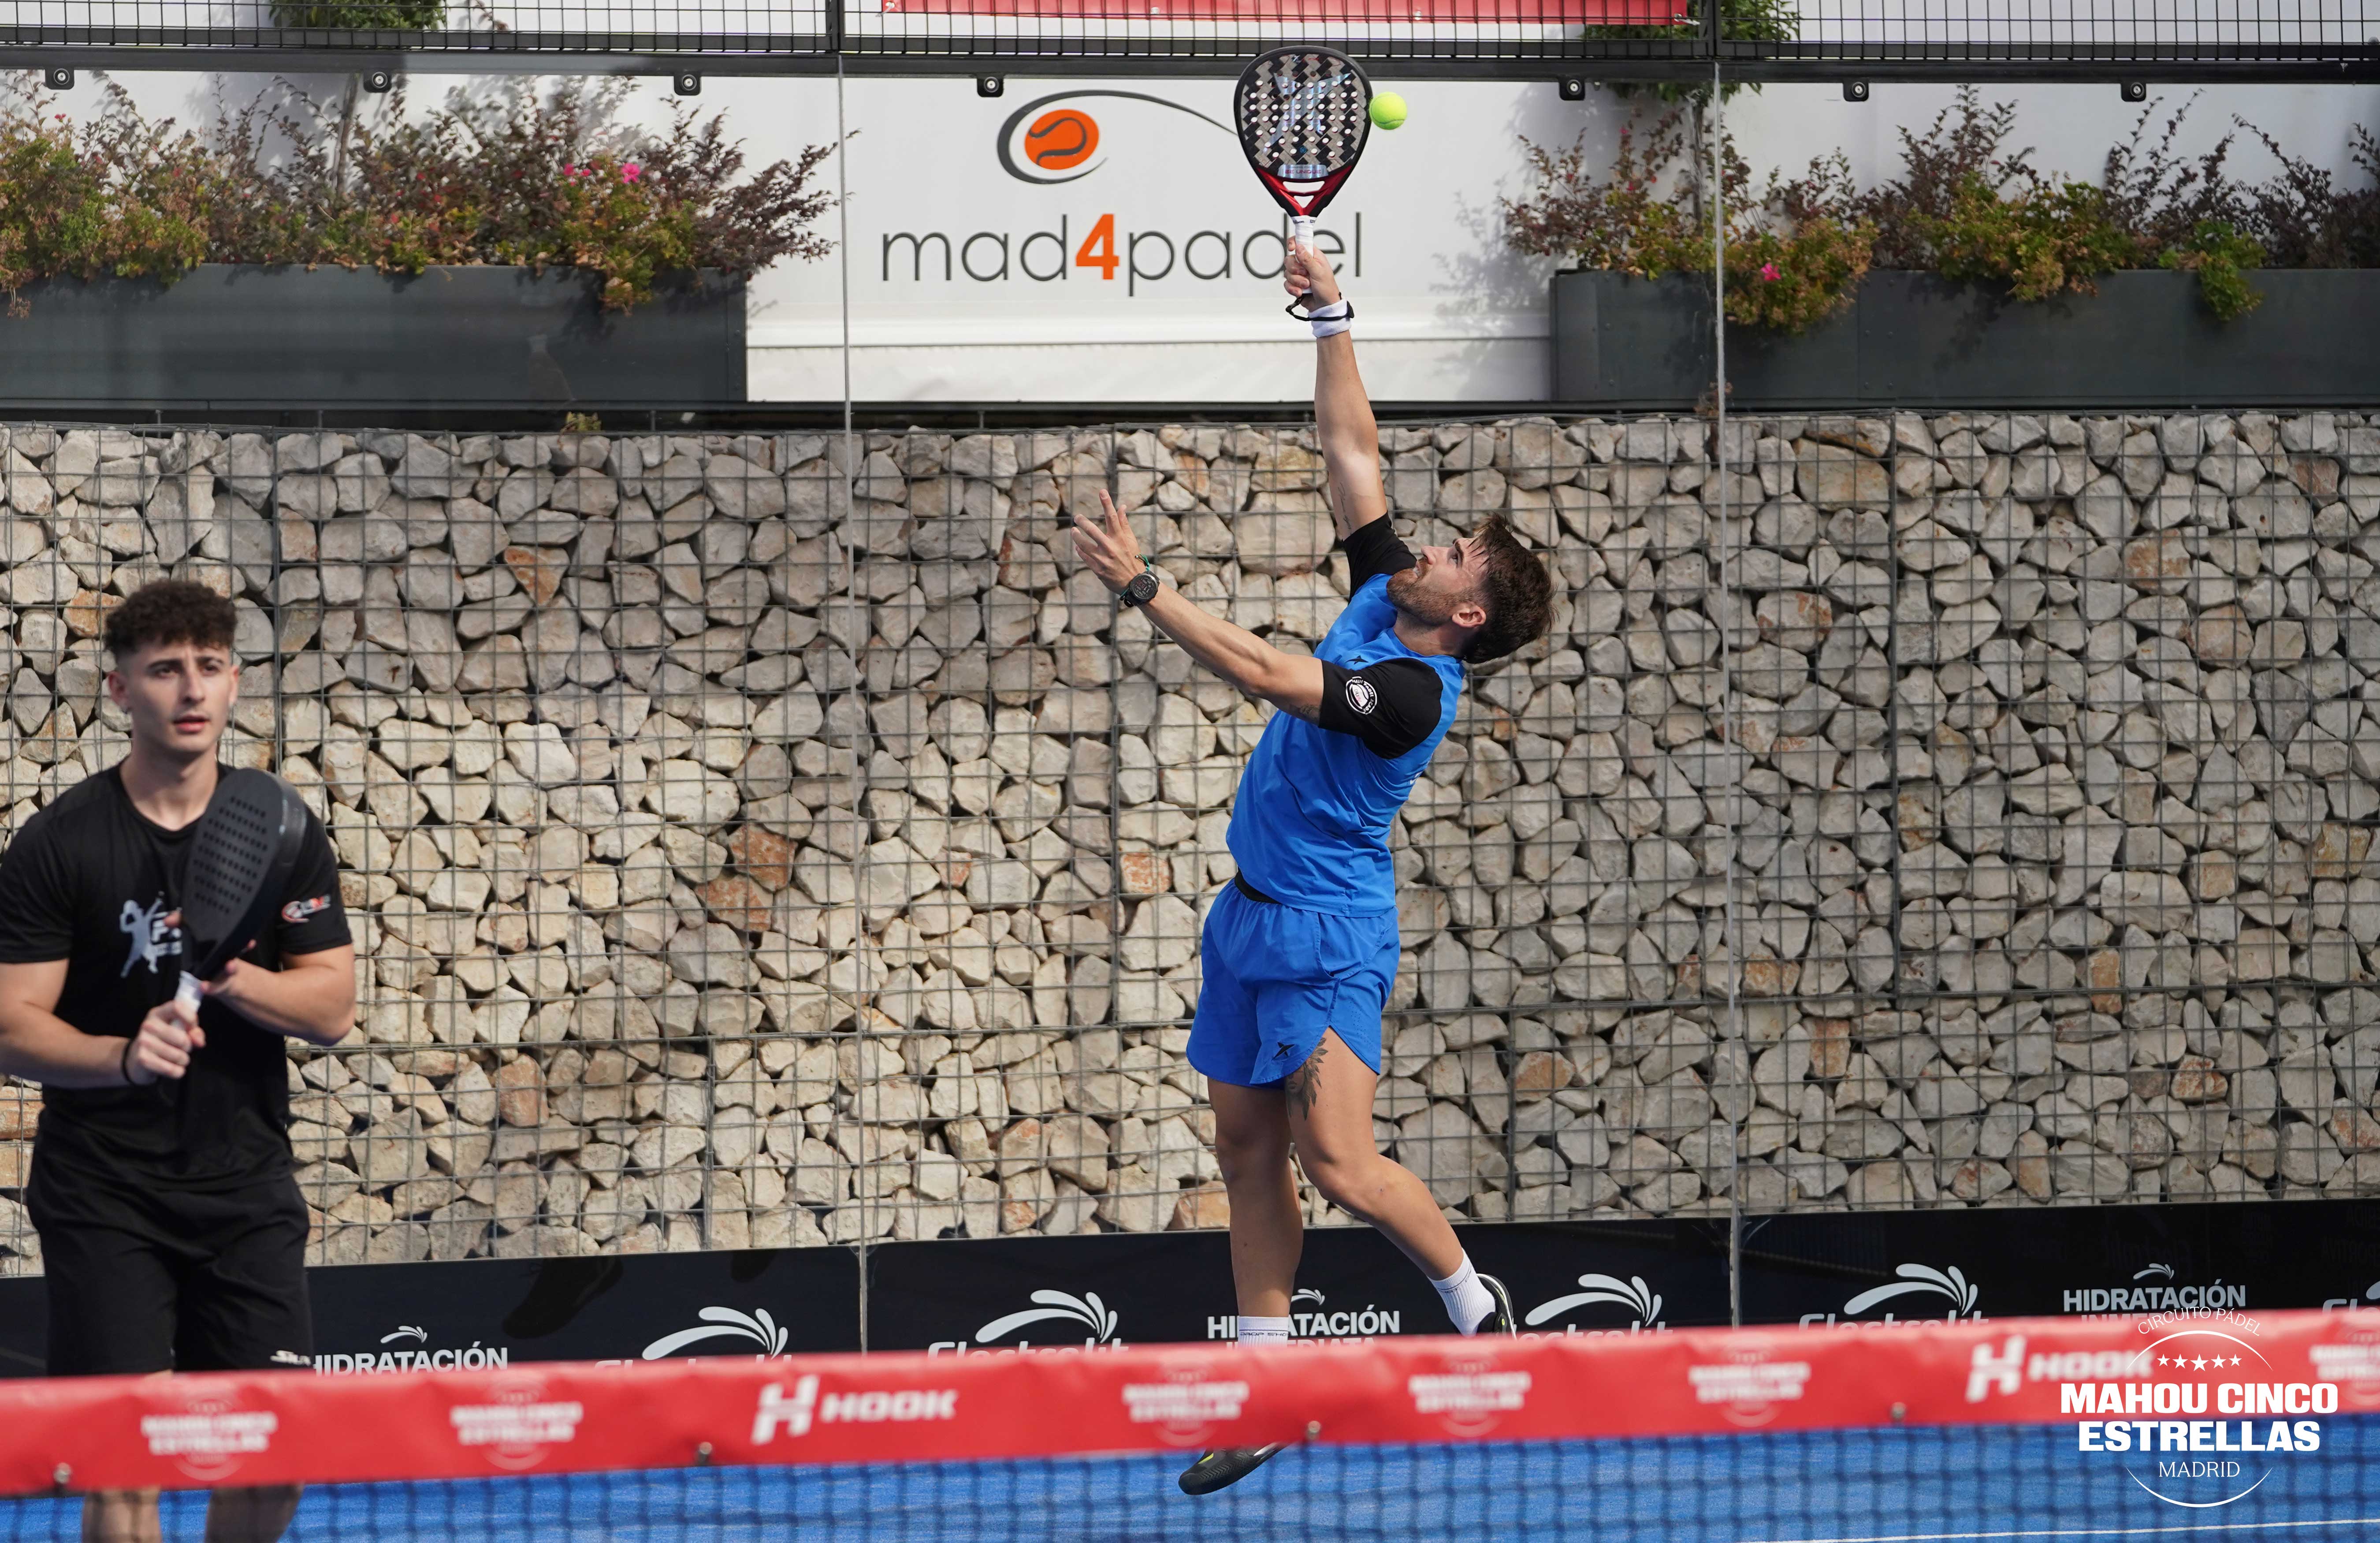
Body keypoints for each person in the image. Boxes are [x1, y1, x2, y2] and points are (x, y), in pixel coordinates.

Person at [1069, 239, 1557, 1495]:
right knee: (1245, 1150)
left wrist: (1146, 586)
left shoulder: (1412, 691)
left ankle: (1479, 1313)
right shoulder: (1387, 593)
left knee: (1336, 1162)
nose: (1432, 547)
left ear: (1466, 616)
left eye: (1456, 557)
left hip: (1329, 935)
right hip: (1248, 921)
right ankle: (1269, 1388)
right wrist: (1333, 312)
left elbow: (1263, 671)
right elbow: (1352, 455)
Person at [0, 579, 356, 1543]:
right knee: (126, 1466)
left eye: (210, 666)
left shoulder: (282, 831)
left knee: (274, 1460)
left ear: (234, 681)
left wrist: (234, 978)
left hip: (246, 1185)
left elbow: (331, 1007)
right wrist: (125, 1055)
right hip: (104, 1190)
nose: (191, 689)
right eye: (164, 670)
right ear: (121, 690)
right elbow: (11, 1026)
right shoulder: (59, 844)